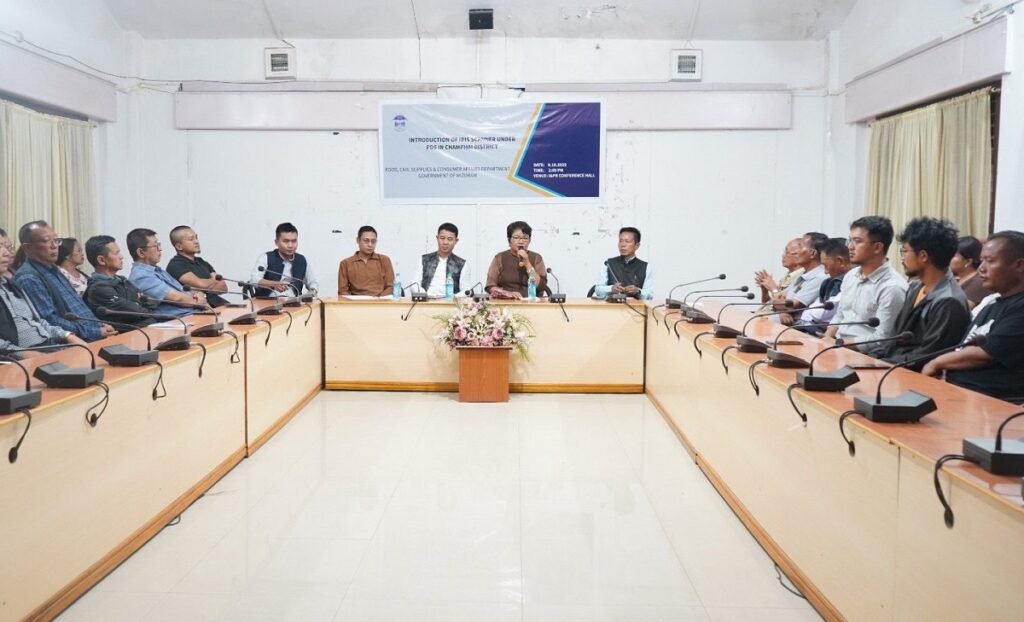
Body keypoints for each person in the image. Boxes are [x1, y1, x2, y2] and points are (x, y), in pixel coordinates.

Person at [922, 231, 1024, 401]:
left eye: (990, 261)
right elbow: (963, 347)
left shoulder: (1020, 307)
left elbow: (985, 354)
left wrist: (936, 363)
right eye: (981, 260)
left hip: (992, 403)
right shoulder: (992, 303)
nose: (981, 268)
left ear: (1019, 265)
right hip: (957, 392)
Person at [881, 218, 970, 370]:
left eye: (905, 251)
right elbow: (895, 339)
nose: (902, 257)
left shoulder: (949, 301)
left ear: (923, 256)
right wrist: (873, 360)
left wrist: (883, 364)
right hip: (894, 365)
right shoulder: (915, 287)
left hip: (915, 374)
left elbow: (928, 354)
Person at [13, 221, 115, 341]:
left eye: (56, 240)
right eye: (46, 241)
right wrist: (94, 331)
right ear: (27, 247)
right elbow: (50, 321)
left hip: (91, 335)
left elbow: (78, 308)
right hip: (71, 343)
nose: (54, 246)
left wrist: (99, 325)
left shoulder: (53, 269)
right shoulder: (29, 278)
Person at [825, 216, 908, 356]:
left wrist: (838, 344)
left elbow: (883, 338)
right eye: (850, 240)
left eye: (857, 241)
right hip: (837, 347)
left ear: (877, 247)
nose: (850, 247)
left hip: (865, 356)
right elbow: (840, 316)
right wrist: (826, 339)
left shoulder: (892, 287)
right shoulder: (851, 276)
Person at [0, 240, 90, 358]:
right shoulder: (27, 276)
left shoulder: (11, 285)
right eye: (0, 247)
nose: (6, 253)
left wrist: (67, 335)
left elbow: (38, 321)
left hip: (48, 345)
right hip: (20, 356)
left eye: (6, 247)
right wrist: (20, 353)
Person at [83, 235, 159, 329]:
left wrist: (137, 304)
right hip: (126, 333)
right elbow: (133, 312)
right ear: (101, 260)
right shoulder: (98, 288)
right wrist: (137, 303)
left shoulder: (122, 280)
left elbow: (151, 302)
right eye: (116, 253)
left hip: (144, 327)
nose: (121, 257)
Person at [127, 228, 205, 317]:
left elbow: (182, 290)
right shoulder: (141, 276)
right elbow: (177, 298)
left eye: (159, 245)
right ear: (141, 252)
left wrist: (198, 294)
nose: (160, 249)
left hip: (192, 314)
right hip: (179, 319)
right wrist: (199, 301)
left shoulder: (156, 270)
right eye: (156, 246)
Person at [794, 237, 851, 335]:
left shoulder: (844, 282)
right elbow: (808, 314)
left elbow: (820, 314)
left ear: (840, 261)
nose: (825, 272)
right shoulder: (828, 281)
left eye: (826, 266)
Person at [772, 232, 829, 325]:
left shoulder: (820, 277)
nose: (794, 252)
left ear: (812, 253)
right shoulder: (803, 273)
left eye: (801, 246)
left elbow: (790, 306)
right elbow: (777, 299)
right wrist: (782, 311)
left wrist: (782, 307)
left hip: (795, 329)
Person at [251, 222, 320, 298]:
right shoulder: (266, 257)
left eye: (294, 241)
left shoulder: (302, 260)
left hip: (294, 302)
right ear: (276, 242)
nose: (290, 245)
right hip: (268, 301)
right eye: (286, 241)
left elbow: (313, 283)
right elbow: (254, 280)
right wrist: (273, 284)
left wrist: (312, 291)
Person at [165, 226, 229, 307]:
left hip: (219, 304)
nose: (196, 241)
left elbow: (223, 287)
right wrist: (212, 282)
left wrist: (202, 287)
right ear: (179, 246)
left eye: (196, 238)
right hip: (201, 308)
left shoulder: (201, 262)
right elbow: (201, 284)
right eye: (191, 239)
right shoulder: (176, 265)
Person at [485, 221, 547, 299]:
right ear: (509, 240)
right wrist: (507, 293)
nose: (521, 241)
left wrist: (527, 262)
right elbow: (490, 286)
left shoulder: (536, 258)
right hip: (506, 302)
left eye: (525, 238)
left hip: (530, 302)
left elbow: (541, 286)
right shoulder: (500, 258)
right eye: (516, 238)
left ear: (529, 240)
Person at [593, 227, 653, 300]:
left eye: (627, 241)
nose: (623, 245)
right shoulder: (608, 263)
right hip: (612, 305)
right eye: (620, 241)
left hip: (636, 306)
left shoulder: (645, 267)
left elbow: (649, 295)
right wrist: (611, 288)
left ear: (637, 245)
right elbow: (598, 290)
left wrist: (638, 291)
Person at [410, 223, 469, 298]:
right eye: (442, 238)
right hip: (427, 301)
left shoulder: (462, 264)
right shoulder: (424, 260)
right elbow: (414, 284)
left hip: (450, 302)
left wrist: (454, 297)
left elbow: (466, 290)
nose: (445, 242)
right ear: (437, 238)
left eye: (450, 239)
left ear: (456, 241)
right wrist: (424, 295)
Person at [337, 226, 395, 297]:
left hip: (380, 301)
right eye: (366, 241)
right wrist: (354, 302)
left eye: (373, 241)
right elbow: (343, 291)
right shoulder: (346, 263)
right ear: (358, 240)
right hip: (356, 302)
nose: (370, 245)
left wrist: (378, 300)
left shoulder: (384, 260)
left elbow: (391, 287)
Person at [754, 238, 803, 312]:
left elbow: (783, 307)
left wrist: (773, 289)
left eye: (787, 252)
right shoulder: (788, 275)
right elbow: (770, 306)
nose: (783, 255)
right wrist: (765, 291)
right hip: (762, 315)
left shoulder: (800, 277)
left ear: (799, 255)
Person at [950, 235, 991, 310]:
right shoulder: (955, 278)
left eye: (953, 256)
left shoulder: (979, 282)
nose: (948, 259)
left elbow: (959, 310)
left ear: (968, 261)